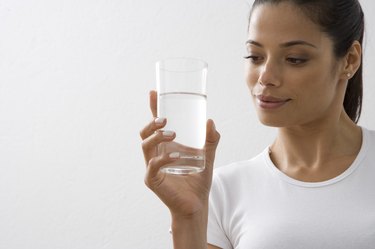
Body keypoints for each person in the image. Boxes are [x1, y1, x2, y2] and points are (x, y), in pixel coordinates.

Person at [140, 0, 375, 248]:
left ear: (349, 60)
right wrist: (187, 217)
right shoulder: (220, 192)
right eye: (255, 56)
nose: (265, 77)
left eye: (294, 59)